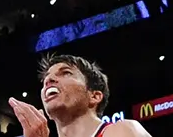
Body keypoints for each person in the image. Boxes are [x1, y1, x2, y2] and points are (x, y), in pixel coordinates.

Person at [9, 54, 155, 137]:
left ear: (94, 96)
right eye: (46, 78)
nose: (48, 80)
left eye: (66, 73)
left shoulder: (121, 131)